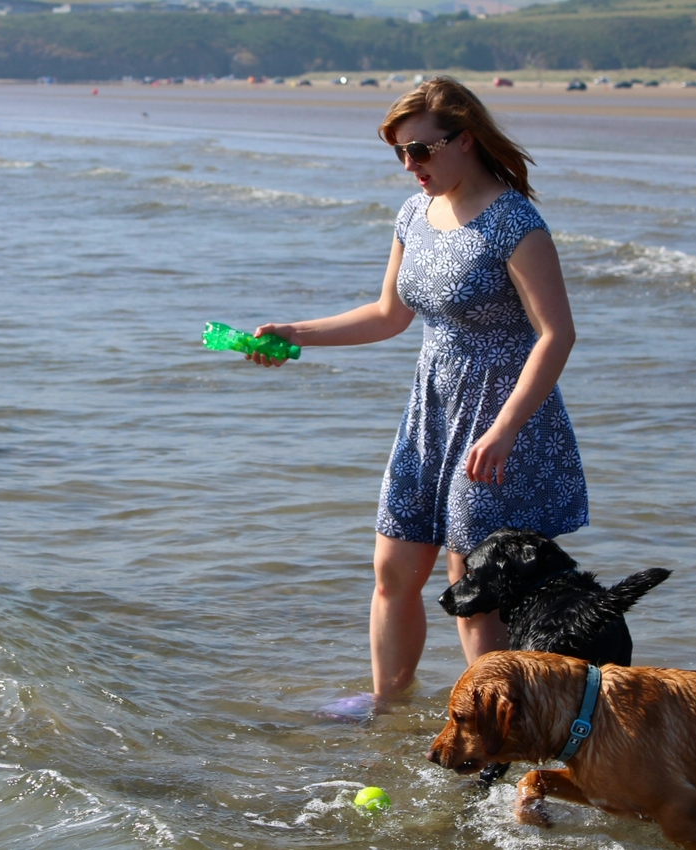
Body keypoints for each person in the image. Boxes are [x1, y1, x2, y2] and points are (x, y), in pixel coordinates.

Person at [250, 77, 588, 716]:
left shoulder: (513, 221)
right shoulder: (413, 213)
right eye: (400, 153)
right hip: (430, 412)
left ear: (465, 140)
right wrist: (295, 334)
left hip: (500, 415)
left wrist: (506, 427)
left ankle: (496, 732)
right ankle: (388, 707)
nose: (411, 167)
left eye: (422, 152)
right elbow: (387, 315)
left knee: (472, 590)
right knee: (393, 573)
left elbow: (556, 334)